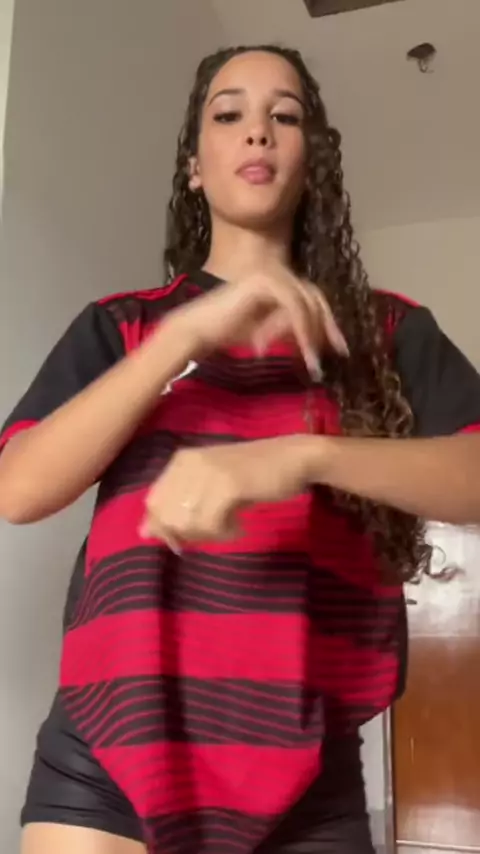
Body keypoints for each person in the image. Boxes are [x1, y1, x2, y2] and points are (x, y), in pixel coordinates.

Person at [1, 44, 480, 854]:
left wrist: (301, 455)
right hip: (106, 755)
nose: (257, 131)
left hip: (306, 766)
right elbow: (17, 490)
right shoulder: (121, 325)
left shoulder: (390, 330)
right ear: (195, 167)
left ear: (312, 162)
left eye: (284, 116)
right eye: (229, 115)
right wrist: (183, 334)